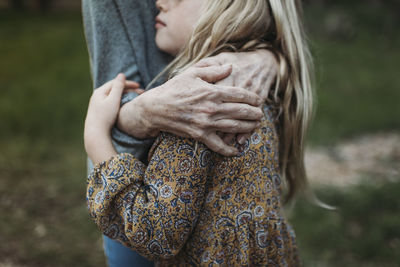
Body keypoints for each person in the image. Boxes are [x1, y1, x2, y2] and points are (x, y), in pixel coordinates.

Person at [85, 0, 314, 265]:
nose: (159, 2)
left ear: (226, 10)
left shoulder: (193, 109)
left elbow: (155, 233)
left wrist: (96, 135)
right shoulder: (261, 87)